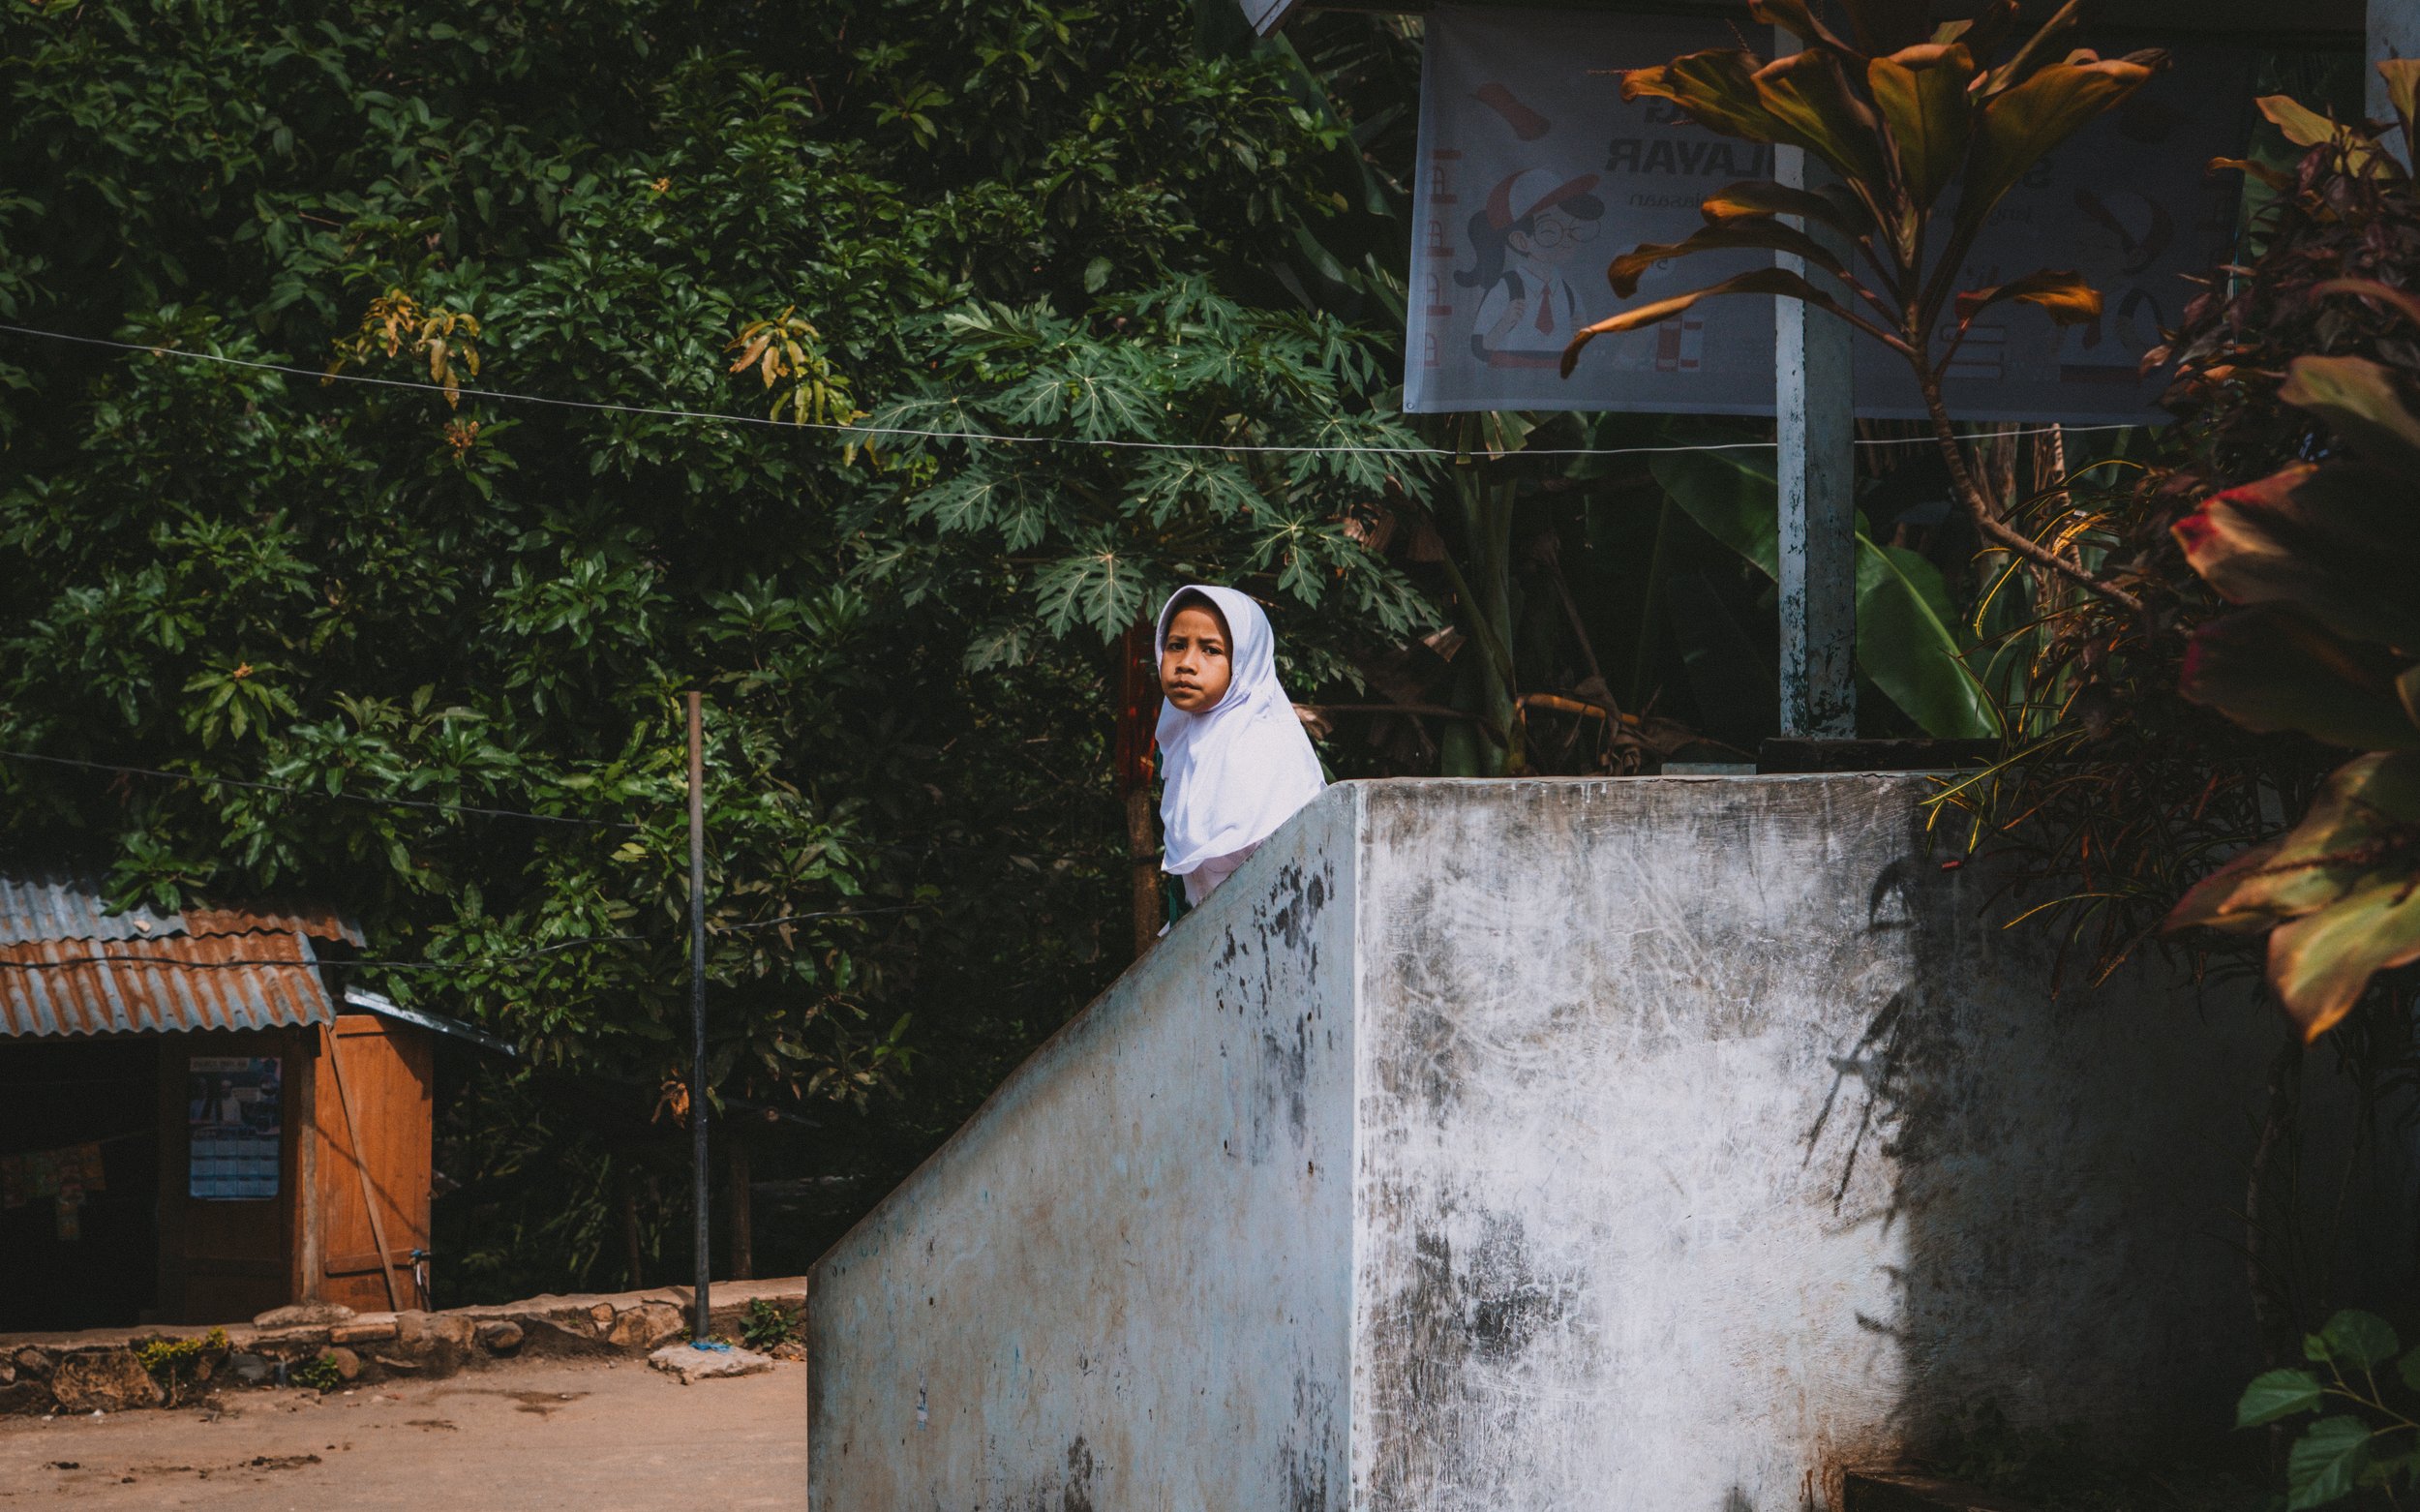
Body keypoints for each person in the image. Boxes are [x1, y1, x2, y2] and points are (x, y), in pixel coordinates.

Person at [1154, 585, 1326, 914]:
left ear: (1245, 660)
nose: (1186, 663)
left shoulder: (1264, 749)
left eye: (1211, 650)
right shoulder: (1177, 738)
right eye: (1176, 646)